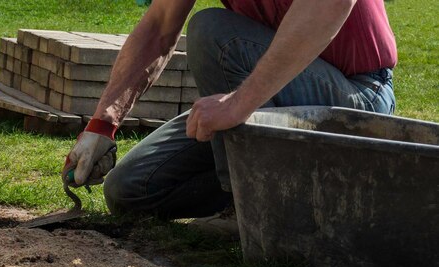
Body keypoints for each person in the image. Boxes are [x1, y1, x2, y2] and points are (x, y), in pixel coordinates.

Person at [61, 0, 397, 227]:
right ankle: (293, 199)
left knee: (213, 33)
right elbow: (160, 26)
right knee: (131, 190)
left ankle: (242, 213)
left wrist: (238, 104)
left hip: (356, 97)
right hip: (273, 95)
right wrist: (102, 123)